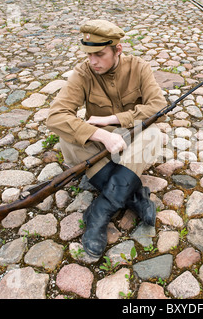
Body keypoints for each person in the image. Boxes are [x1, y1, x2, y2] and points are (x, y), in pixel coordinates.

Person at [46, 20, 166, 258]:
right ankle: (133, 197)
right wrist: (99, 133)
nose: (92, 61)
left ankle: (100, 211)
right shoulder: (83, 73)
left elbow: (158, 107)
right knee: (67, 138)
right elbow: (55, 116)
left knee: (153, 134)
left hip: (131, 144)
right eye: (88, 54)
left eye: (99, 54)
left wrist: (112, 118)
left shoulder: (139, 67)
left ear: (117, 50)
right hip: (101, 146)